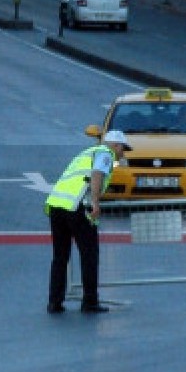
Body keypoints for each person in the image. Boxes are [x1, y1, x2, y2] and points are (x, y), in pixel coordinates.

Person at [45, 130, 132, 314]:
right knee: (89, 255)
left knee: (60, 257)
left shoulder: (87, 153)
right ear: (116, 145)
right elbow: (97, 174)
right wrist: (95, 203)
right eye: (123, 148)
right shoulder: (105, 154)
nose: (123, 153)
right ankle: (90, 301)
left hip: (57, 206)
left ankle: (54, 302)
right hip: (79, 207)